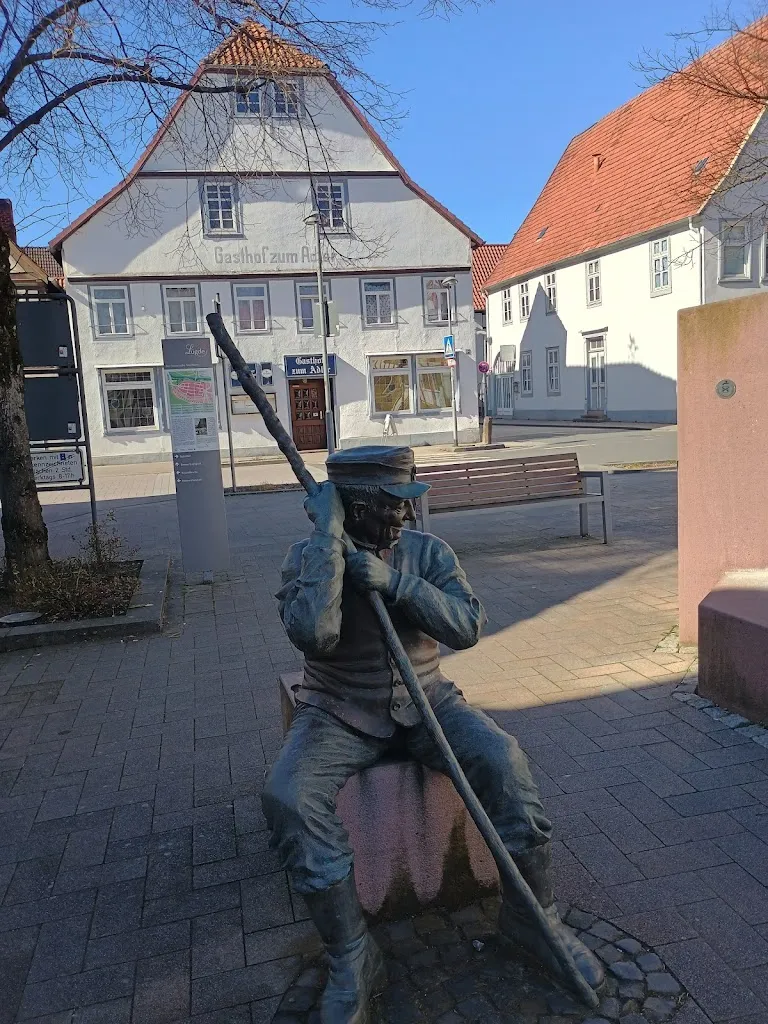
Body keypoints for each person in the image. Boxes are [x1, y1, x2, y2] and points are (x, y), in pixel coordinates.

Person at [263, 446, 603, 1023]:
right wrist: (329, 542)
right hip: (337, 711)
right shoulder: (308, 557)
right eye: (391, 505)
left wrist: (396, 584)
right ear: (352, 508)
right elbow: (315, 637)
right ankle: (352, 954)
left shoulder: (428, 552)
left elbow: (467, 627)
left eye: (407, 502)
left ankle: (533, 917)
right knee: (288, 796)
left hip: (430, 703)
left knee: (503, 759)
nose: (404, 516)